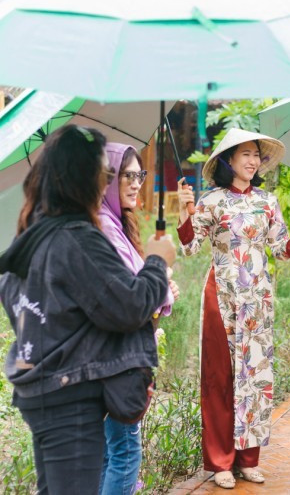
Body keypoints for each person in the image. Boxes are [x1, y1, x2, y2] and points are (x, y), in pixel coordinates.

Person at [0, 124, 176, 494]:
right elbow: (128, 306)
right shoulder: (75, 238)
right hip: (70, 397)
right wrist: (157, 263)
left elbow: (18, 298)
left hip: (42, 391)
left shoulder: (34, 233)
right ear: (82, 177)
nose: (104, 181)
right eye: (103, 173)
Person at [176, 128, 290, 489]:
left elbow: (279, 247)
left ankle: (248, 459)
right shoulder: (212, 202)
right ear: (228, 160)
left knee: (255, 377)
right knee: (220, 378)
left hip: (259, 300)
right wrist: (186, 209)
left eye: (256, 155)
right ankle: (220, 462)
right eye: (244, 154)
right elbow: (189, 247)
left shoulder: (268, 201)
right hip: (222, 298)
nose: (251, 161)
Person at [98, 143, 180, 495]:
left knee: (108, 451)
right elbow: (135, 295)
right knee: (125, 450)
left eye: (139, 175)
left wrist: (159, 281)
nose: (135, 183)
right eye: (126, 175)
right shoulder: (105, 226)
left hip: (114, 354)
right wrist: (162, 278)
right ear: (106, 180)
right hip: (118, 357)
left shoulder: (114, 223)